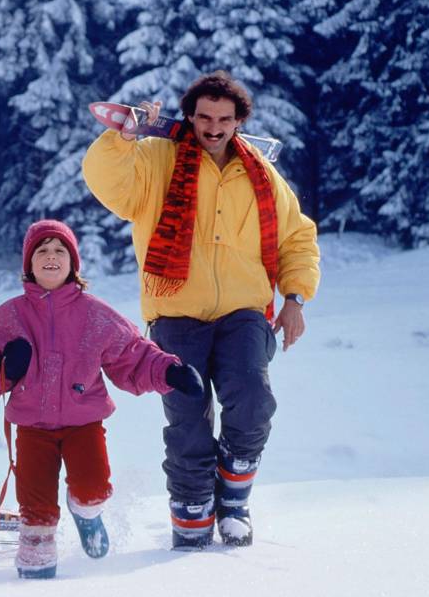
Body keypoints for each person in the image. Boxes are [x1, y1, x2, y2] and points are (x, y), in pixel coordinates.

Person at [81, 71, 321, 550]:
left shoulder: (260, 175)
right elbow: (108, 183)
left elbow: (298, 236)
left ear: (239, 122)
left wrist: (294, 298)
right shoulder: (155, 159)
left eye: (225, 119)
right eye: (205, 117)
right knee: (188, 418)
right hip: (175, 313)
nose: (214, 128)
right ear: (190, 117)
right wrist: (123, 139)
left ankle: (233, 497)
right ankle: (191, 511)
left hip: (244, 310)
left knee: (252, 400)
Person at [0, 219, 204, 579]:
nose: (51, 257)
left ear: (73, 263)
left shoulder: (95, 314)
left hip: (84, 424)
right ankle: (36, 568)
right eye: (42, 250)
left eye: (59, 250)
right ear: (29, 264)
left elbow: (132, 354)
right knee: (37, 509)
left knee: (93, 488)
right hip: (32, 429)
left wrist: (169, 372)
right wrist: (4, 365)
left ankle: (86, 513)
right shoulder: (10, 316)